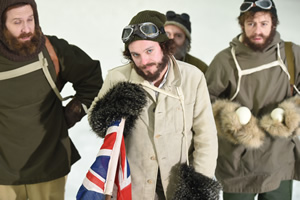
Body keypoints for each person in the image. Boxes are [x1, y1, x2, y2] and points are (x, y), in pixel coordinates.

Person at [88, 10, 218, 200]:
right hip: (133, 188)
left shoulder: (193, 78)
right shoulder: (117, 78)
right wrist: (113, 105)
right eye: (135, 54)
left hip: (177, 187)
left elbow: (206, 138)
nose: (144, 61)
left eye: (149, 51)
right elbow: (97, 123)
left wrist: (198, 186)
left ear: (165, 46)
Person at [0, 0, 103, 199]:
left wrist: (72, 113)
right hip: (3, 174)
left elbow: (91, 79)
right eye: (17, 22)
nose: (26, 28)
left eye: (30, 19)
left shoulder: (52, 50)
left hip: (49, 166)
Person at [205, 0, 300, 200]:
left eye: (264, 23)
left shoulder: (291, 55)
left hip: (279, 160)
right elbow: (205, 103)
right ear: (242, 25)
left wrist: (291, 112)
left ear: (274, 24)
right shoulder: (225, 61)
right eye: (251, 23)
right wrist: (229, 117)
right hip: (238, 163)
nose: (257, 30)